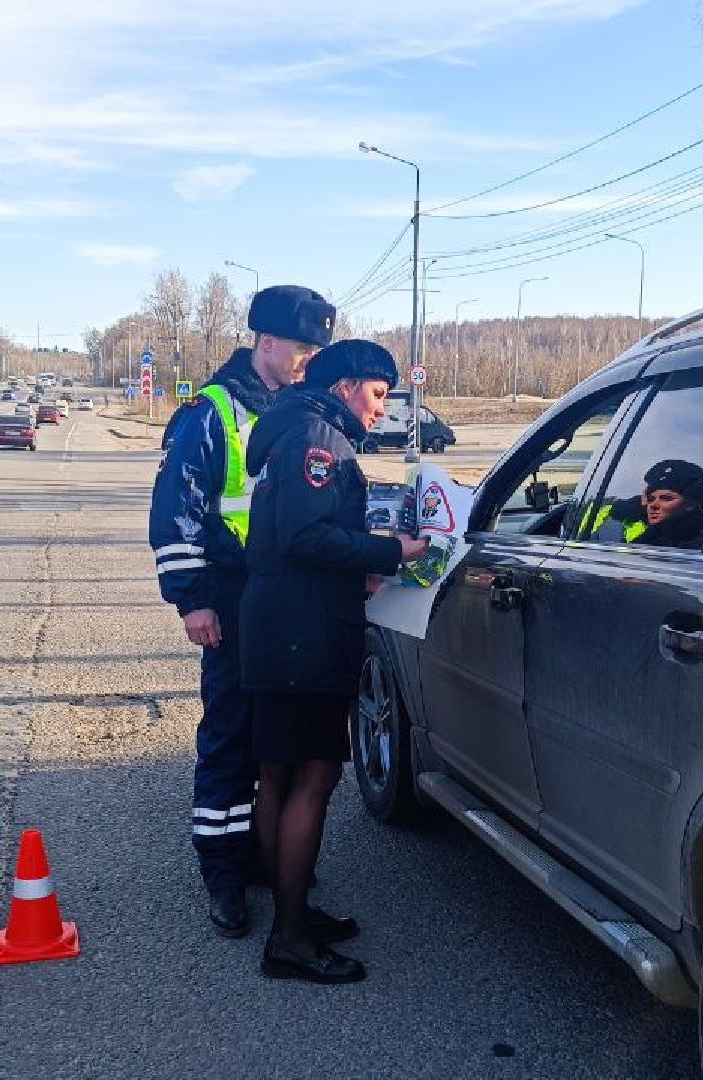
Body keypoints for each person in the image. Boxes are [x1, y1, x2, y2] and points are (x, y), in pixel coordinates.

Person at [149, 284, 337, 939]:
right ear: (266, 341)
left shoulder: (296, 409)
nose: (307, 359)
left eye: (316, 350)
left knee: (273, 739)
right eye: (301, 347)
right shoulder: (211, 411)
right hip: (228, 600)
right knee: (230, 739)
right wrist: (191, 602)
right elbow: (175, 511)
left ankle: (266, 855)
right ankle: (224, 873)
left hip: (280, 604)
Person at [239, 339, 428, 984]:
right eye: (378, 395)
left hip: (277, 624)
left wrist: (359, 569)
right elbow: (305, 535)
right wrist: (390, 550)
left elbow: (291, 537)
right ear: (348, 385)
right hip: (305, 635)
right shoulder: (319, 437)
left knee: (276, 777)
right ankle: (289, 937)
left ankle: (291, 911)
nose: (382, 410)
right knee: (312, 779)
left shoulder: (290, 425)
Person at [587, 458, 703, 548]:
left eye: (666, 498)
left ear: (691, 505)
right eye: (651, 499)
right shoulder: (645, 526)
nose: (652, 505)